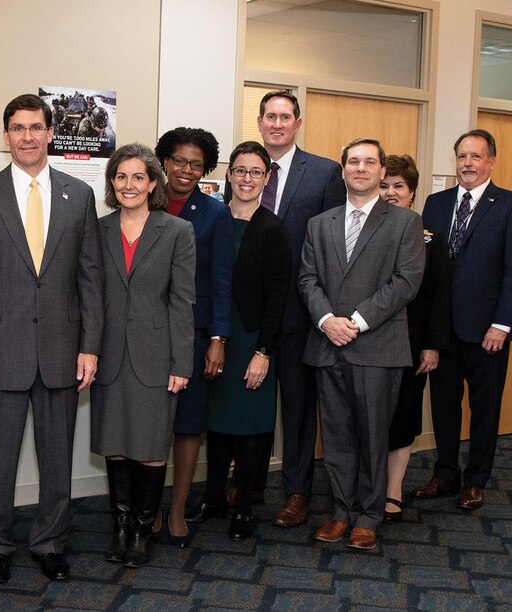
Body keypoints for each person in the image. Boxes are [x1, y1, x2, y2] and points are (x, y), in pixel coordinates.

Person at [0, 93, 103, 584]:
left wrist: (91, 345)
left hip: (62, 349)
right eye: (18, 128)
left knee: (57, 459)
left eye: (36, 127)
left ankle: (50, 542)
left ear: (51, 132)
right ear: (6, 135)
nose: (28, 137)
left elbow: (90, 277)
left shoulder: (78, 195)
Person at [300, 138, 424, 551]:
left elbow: (405, 282)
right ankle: (341, 511)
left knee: (372, 436)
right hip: (327, 344)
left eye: (370, 162)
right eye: (353, 161)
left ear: (380, 170)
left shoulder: (405, 223)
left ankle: (369, 516)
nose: (361, 168)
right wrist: (326, 321)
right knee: (335, 436)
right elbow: (307, 280)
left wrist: (354, 322)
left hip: (377, 345)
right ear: (343, 170)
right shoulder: (321, 223)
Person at [91, 144, 194, 567]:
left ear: (153, 183)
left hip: (157, 355)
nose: (128, 185)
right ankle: (119, 526)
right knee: (115, 445)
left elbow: (183, 302)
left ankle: (141, 529)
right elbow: (89, 297)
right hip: (108, 355)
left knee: (151, 446)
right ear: (112, 183)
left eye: (138, 177)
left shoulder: (176, 231)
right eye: (121, 177)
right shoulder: (96, 230)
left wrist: (182, 364)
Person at [247, 91, 345, 528]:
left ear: (297, 123)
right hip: (249, 316)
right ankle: (246, 487)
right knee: (248, 406)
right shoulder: (245, 168)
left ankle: (297, 492)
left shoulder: (325, 173)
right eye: (270, 116)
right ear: (260, 121)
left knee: (299, 410)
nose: (277, 123)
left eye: (285, 117)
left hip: (302, 316)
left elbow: (333, 248)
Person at [416, 129, 512, 510]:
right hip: (443, 330)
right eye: (462, 156)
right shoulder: (436, 203)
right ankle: (445, 473)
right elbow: (427, 268)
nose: (468, 164)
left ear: (491, 161)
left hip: (487, 329)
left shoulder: (510, 205)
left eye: (476, 157)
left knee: (485, 409)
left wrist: (503, 323)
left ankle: (476, 479)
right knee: (443, 406)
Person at [196, 142, 291, 541]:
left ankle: (245, 507)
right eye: (240, 170)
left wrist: (263, 353)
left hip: (252, 339)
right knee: (216, 424)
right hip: (215, 334)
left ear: (266, 178)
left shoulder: (273, 228)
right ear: (228, 174)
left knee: (250, 427)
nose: (247, 179)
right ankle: (215, 496)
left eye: (255, 172)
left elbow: (278, 298)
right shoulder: (212, 218)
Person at [154, 127, 233, 545]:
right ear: (164, 160)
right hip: (147, 333)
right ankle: (149, 508)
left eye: (196, 164)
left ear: (206, 170)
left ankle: (179, 509)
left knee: (188, 425)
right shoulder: (144, 200)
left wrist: (219, 337)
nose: (186, 170)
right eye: (180, 161)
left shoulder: (216, 213)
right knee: (151, 424)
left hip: (196, 333)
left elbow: (222, 280)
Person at [379, 155, 451, 522]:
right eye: (384, 185)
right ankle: (367, 485)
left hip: (413, 345)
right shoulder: (361, 231)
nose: (391, 193)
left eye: (399, 187)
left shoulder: (431, 240)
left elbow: (440, 297)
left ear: (412, 193)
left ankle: (393, 490)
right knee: (368, 416)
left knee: (404, 416)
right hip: (370, 342)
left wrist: (432, 345)